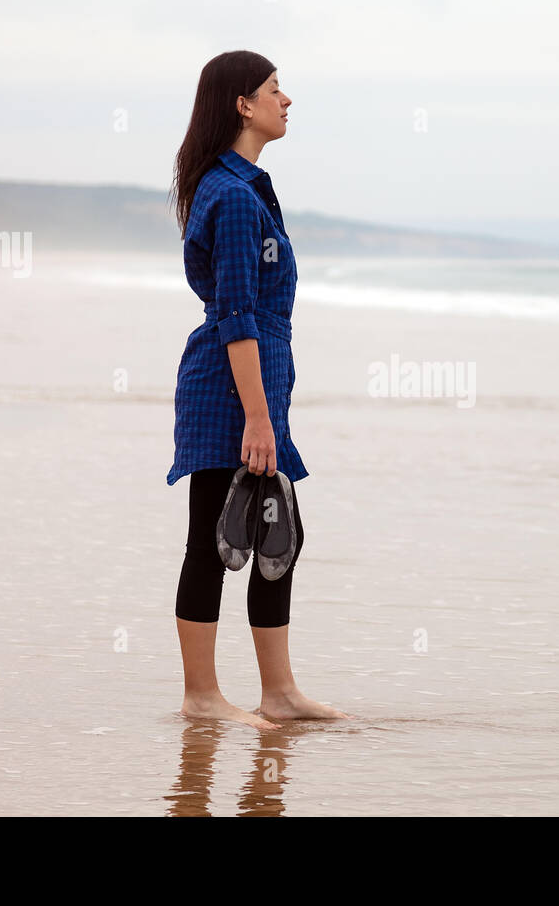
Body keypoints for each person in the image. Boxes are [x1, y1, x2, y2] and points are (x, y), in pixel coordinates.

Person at [167, 50, 348, 729]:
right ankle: (202, 697)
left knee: (278, 536)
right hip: (229, 392)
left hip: (253, 390)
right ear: (243, 104)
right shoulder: (234, 198)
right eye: (276, 89)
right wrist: (258, 418)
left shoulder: (243, 188)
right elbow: (237, 316)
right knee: (213, 540)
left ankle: (278, 692)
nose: (287, 99)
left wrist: (267, 412)